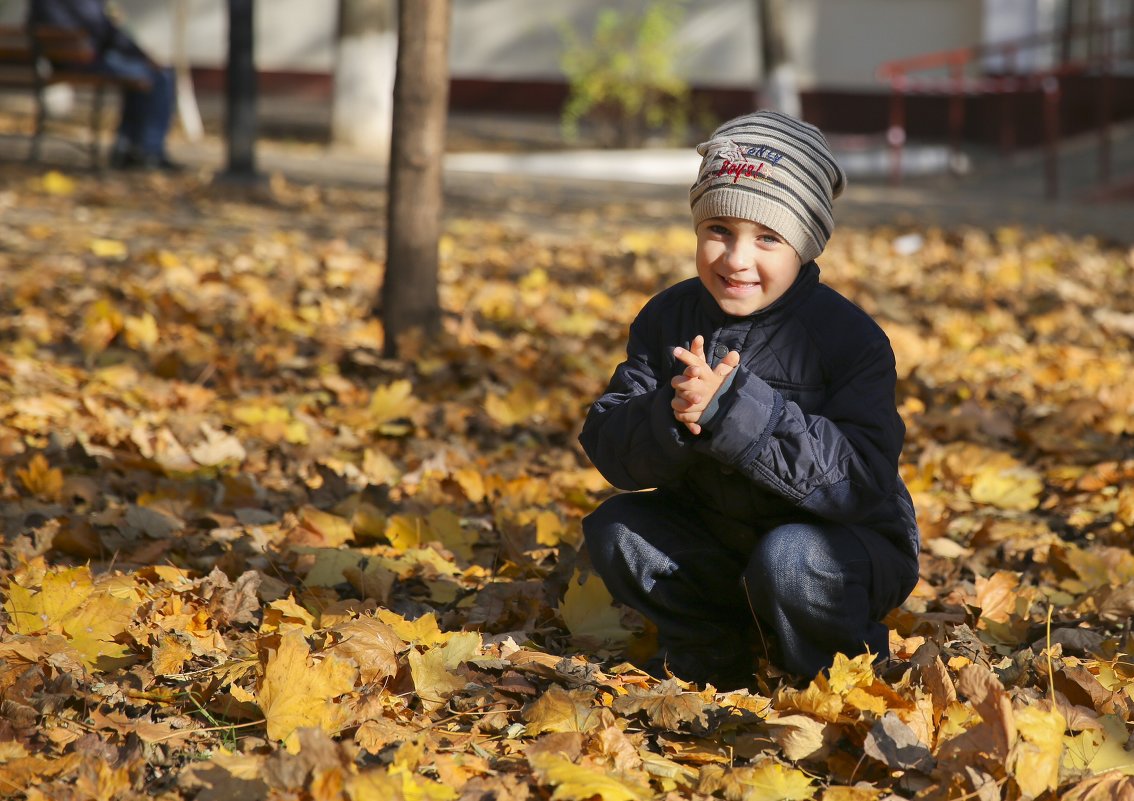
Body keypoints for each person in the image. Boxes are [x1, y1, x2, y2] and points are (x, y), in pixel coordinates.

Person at [578, 110, 920, 689]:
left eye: (767, 238)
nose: (737, 259)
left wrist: (732, 413)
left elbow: (860, 479)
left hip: (841, 546)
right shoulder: (668, 318)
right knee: (617, 530)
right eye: (719, 231)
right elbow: (611, 446)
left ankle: (835, 674)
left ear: (805, 247)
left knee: (789, 560)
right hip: (717, 532)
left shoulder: (847, 339)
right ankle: (715, 654)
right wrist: (669, 414)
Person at [28, 0, 180, 170]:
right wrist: (140, 54)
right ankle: (148, 151)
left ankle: (130, 149)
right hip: (82, 61)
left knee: (146, 77)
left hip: (73, 59)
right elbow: (102, 29)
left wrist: (139, 54)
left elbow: (105, 30)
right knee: (160, 77)